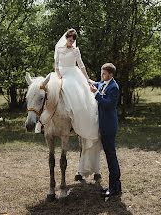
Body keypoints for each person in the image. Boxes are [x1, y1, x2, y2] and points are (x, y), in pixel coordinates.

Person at [42, 28, 101, 177]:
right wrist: (59, 75)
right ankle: (42, 123)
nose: (71, 41)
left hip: (74, 76)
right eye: (70, 39)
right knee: (48, 94)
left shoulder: (76, 51)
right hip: (61, 74)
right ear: (66, 38)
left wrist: (87, 79)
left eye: (73, 39)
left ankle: (76, 122)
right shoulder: (59, 49)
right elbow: (56, 65)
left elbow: (81, 65)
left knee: (80, 99)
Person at [90, 63, 122, 198]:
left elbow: (108, 105)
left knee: (111, 157)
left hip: (109, 127)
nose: (102, 75)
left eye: (104, 73)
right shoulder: (103, 83)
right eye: (101, 72)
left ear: (110, 74)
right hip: (104, 126)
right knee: (109, 156)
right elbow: (95, 83)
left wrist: (96, 94)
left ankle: (114, 189)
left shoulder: (114, 87)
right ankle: (115, 187)